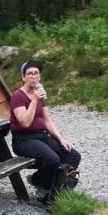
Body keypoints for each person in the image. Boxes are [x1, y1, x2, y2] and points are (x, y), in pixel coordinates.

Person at [9, 60, 80, 204]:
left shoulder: (40, 95)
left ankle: (56, 193)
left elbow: (47, 120)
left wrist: (61, 139)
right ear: (23, 78)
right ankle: (38, 181)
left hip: (42, 136)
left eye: (36, 73)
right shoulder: (18, 96)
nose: (33, 76)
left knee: (73, 155)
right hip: (24, 140)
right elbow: (25, 122)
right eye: (29, 74)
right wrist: (34, 100)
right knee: (52, 159)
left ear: (40, 77)